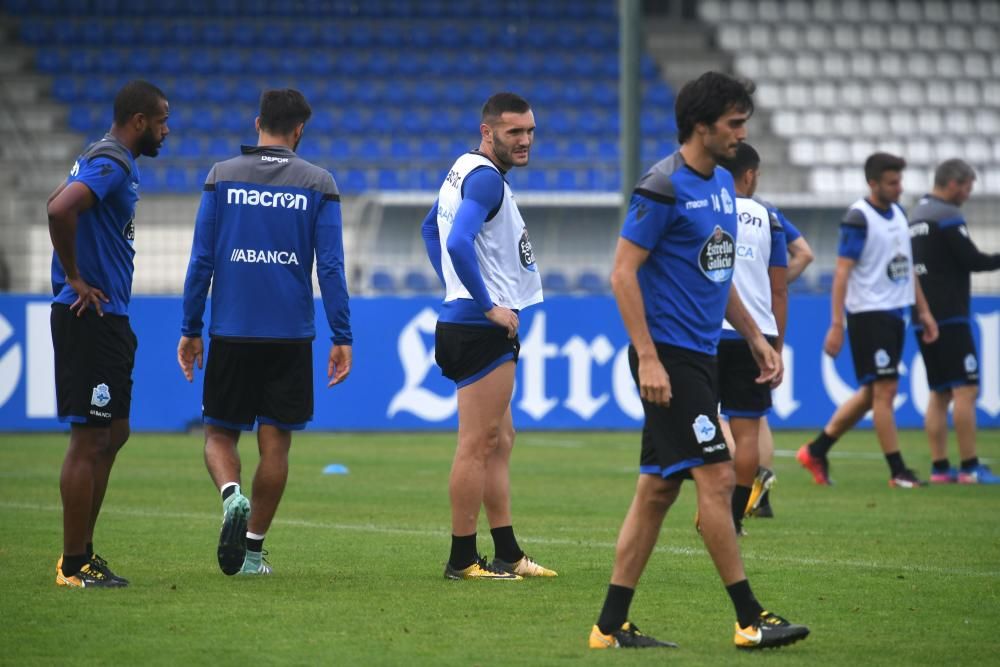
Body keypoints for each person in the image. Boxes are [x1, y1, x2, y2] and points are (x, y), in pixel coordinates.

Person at [588, 72, 808, 651]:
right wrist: (648, 359)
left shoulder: (721, 189)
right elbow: (622, 273)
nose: (742, 133)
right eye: (734, 123)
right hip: (672, 361)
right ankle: (749, 617)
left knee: (657, 492)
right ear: (702, 125)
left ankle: (609, 626)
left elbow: (718, 275)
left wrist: (755, 336)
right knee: (715, 476)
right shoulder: (662, 186)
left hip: (702, 355)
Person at [177, 89, 352, 576]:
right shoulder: (319, 183)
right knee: (275, 447)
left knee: (218, 434)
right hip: (290, 335)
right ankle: (252, 551)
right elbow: (331, 267)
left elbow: (201, 262)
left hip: (232, 330)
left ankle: (231, 495)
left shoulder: (222, 177)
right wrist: (342, 334)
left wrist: (191, 327)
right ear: (299, 130)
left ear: (258, 122)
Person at [420, 92, 555, 581]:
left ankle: (508, 553)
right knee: (477, 443)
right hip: (479, 328)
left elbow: (429, 230)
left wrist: (456, 287)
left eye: (530, 131)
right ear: (488, 131)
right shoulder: (486, 182)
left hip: (467, 320)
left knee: (500, 440)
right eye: (514, 132)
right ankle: (461, 558)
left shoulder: (464, 170)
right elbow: (454, 240)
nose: (524, 141)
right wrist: (486, 304)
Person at [47, 80, 170, 587]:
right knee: (89, 438)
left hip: (110, 317)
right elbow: (59, 208)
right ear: (138, 120)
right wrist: (74, 276)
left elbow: (61, 200)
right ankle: (74, 564)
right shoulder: (113, 162)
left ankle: (86, 553)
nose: (167, 129)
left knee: (114, 433)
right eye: (162, 119)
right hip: (88, 317)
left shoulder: (111, 159)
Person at [798, 153, 938, 488]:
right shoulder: (858, 219)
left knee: (870, 393)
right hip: (868, 314)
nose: (899, 187)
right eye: (892, 182)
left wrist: (924, 310)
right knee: (885, 391)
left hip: (895, 313)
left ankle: (816, 451)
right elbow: (842, 273)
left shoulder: (899, 214)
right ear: (872, 183)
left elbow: (906, 269)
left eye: (900, 181)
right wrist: (836, 324)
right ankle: (898, 471)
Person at [909, 159, 1000, 484]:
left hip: (921, 315)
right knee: (966, 389)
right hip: (949, 314)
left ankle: (940, 468)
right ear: (952, 183)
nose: (968, 194)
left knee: (940, 392)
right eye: (967, 187)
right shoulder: (946, 215)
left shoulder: (915, 215)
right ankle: (970, 467)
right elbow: (970, 259)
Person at [715, 142, 787, 535]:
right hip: (755, 333)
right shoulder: (769, 217)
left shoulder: (705, 208)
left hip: (709, 329)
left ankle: (711, 499)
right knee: (748, 431)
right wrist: (775, 347)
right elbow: (780, 290)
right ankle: (735, 516)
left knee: (707, 418)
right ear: (750, 175)